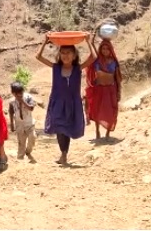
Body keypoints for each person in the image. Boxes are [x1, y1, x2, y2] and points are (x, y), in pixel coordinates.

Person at [36, 34, 96, 165]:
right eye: (62, 53)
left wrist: (88, 41)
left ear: (74, 55)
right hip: (57, 102)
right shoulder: (55, 68)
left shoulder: (77, 69)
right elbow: (38, 57)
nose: (65, 55)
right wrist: (45, 42)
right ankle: (63, 154)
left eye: (68, 53)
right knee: (59, 127)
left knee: (66, 128)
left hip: (72, 104)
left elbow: (94, 57)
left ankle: (64, 154)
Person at [85, 39, 122, 140]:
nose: (105, 50)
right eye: (103, 48)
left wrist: (119, 92)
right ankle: (97, 131)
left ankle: (107, 133)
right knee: (97, 110)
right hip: (99, 89)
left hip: (111, 90)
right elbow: (92, 54)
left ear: (111, 50)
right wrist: (90, 42)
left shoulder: (114, 62)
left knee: (111, 111)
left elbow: (117, 79)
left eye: (107, 49)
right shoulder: (97, 61)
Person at [8, 81, 37, 162]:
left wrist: (22, 102)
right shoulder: (12, 101)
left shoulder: (28, 97)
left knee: (33, 137)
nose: (19, 95)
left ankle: (28, 151)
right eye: (17, 94)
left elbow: (31, 108)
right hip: (19, 124)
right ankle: (20, 158)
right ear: (13, 93)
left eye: (21, 93)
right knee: (21, 143)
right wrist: (12, 124)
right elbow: (11, 112)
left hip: (29, 123)